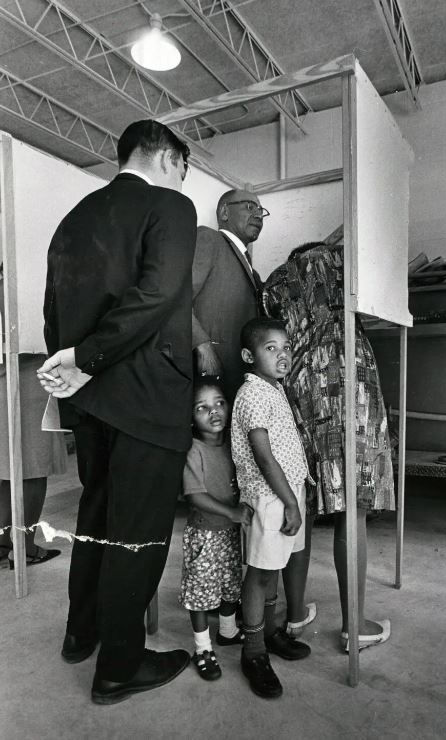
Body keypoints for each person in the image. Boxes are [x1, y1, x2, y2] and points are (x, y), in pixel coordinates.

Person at [37, 119, 197, 705]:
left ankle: (82, 633)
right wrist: (88, 355)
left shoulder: (74, 217)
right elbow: (156, 296)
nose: (183, 177)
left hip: (90, 400)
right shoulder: (171, 209)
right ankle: (120, 667)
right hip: (148, 396)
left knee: (98, 519)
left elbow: (54, 306)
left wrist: (76, 368)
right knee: (138, 535)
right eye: (183, 165)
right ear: (164, 156)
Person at [263, 242, 395, 653]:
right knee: (350, 508)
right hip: (349, 385)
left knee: (301, 500)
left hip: (300, 388)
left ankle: (297, 612)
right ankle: (354, 626)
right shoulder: (343, 259)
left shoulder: (276, 282)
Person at [231, 317, 311, 699]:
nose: (283, 355)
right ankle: (253, 651)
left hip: (287, 493)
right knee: (260, 573)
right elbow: (264, 458)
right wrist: (291, 503)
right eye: (271, 348)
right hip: (270, 496)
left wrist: (294, 497)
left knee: (275, 565)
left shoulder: (273, 388)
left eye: (287, 347)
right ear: (249, 355)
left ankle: (270, 632)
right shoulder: (252, 395)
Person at [179, 377, 252, 681]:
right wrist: (232, 512)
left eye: (219, 403)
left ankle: (228, 630)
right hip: (205, 534)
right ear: (191, 418)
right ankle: (202, 648)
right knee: (201, 593)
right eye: (202, 408)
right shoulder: (193, 450)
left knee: (231, 584)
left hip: (230, 532)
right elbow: (194, 495)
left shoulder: (233, 444)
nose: (214, 412)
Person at [0, 266, 67, 568]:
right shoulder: (23, 259)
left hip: (14, 365)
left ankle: (5, 543)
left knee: (5, 465)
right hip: (26, 367)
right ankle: (23, 547)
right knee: (31, 465)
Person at [192, 189, 268, 401]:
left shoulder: (253, 272)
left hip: (239, 382)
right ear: (225, 212)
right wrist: (202, 346)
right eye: (250, 207)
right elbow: (178, 298)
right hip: (209, 376)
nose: (259, 215)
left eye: (262, 211)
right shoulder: (209, 239)